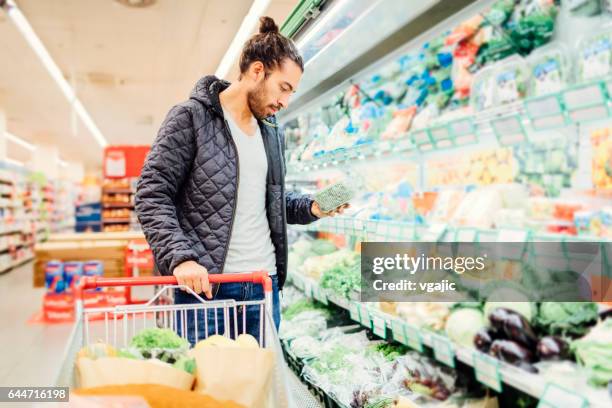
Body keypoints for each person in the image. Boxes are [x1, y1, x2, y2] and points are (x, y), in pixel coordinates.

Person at [135, 16, 347, 345]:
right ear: (257, 71)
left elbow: (269, 199)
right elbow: (152, 194)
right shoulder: (191, 118)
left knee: (258, 388)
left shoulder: (272, 132)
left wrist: (313, 206)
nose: (284, 102)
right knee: (211, 392)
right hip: (207, 288)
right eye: (284, 88)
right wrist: (181, 258)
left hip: (263, 284)